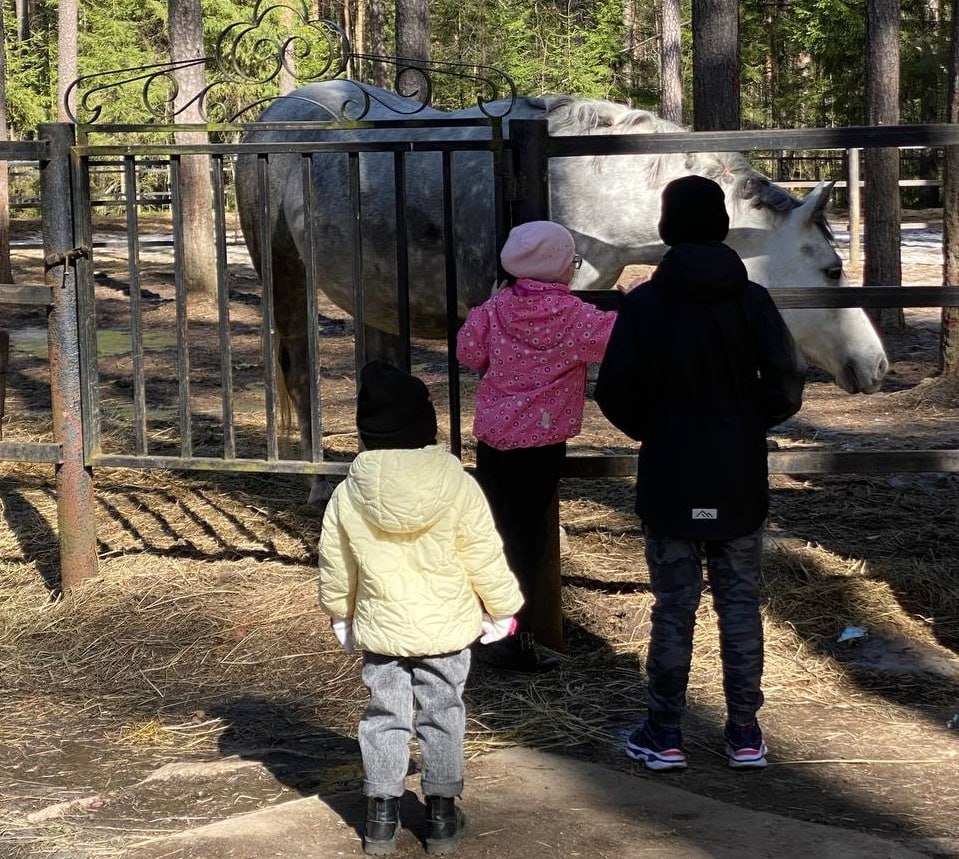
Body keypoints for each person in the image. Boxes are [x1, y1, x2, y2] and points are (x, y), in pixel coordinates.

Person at [594, 175, 806, 771]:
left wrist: (654, 432)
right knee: (739, 602)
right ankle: (744, 732)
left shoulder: (643, 304)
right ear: (721, 227)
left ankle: (664, 732)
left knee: (673, 608)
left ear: (665, 228)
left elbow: (614, 390)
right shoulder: (754, 300)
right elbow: (787, 383)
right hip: (737, 474)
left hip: (670, 474)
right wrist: (747, 424)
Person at [317, 360, 524, 855]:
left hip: (382, 629)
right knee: (443, 712)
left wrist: (341, 612)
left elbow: (336, 562)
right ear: (426, 427)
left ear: (366, 434)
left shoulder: (349, 494)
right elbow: (483, 552)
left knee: (384, 714)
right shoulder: (457, 484)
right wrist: (503, 608)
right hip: (446, 629)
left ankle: (381, 818)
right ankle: (442, 817)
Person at [456, 220, 617, 672]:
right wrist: (641, 297)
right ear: (563, 269)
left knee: (492, 529)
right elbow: (616, 339)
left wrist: (481, 313)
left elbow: (468, 353)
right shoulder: (575, 316)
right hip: (542, 441)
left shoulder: (493, 309)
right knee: (526, 539)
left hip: (494, 436)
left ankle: (478, 618)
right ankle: (510, 634)